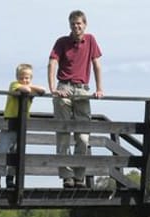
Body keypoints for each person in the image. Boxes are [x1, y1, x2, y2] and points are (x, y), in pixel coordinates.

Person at [47, 10, 104, 189]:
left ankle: (79, 176)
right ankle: (67, 177)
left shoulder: (90, 40)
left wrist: (99, 88)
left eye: (79, 23)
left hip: (82, 89)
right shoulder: (62, 42)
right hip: (64, 87)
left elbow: (96, 64)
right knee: (63, 133)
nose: (76, 26)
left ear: (84, 24)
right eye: (73, 24)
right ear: (69, 25)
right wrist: (53, 89)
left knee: (83, 136)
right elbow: (52, 63)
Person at [0, 64, 46, 189]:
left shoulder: (28, 86)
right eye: (21, 78)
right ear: (17, 77)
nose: (24, 80)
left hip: (21, 125)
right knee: (3, 151)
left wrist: (30, 86)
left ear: (31, 78)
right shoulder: (13, 85)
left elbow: (43, 90)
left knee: (17, 152)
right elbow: (26, 90)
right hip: (9, 123)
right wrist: (29, 87)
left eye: (27, 78)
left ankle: (10, 179)